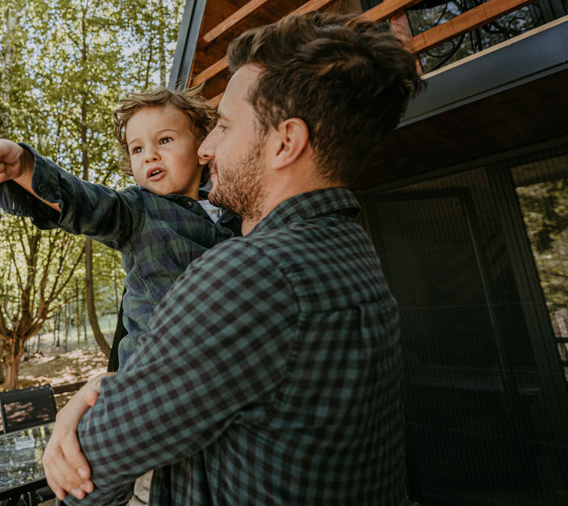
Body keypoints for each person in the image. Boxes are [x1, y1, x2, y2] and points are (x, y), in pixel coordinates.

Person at [41, 11, 424, 505]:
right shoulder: (350, 250)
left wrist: (88, 401)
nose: (206, 149)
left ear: (285, 143)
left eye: (222, 126)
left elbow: (85, 477)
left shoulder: (250, 273)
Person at [0, 87, 240, 368]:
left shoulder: (235, 212)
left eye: (164, 140)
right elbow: (84, 201)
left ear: (203, 145)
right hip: (156, 372)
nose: (149, 155)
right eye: (137, 148)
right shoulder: (137, 210)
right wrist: (23, 167)